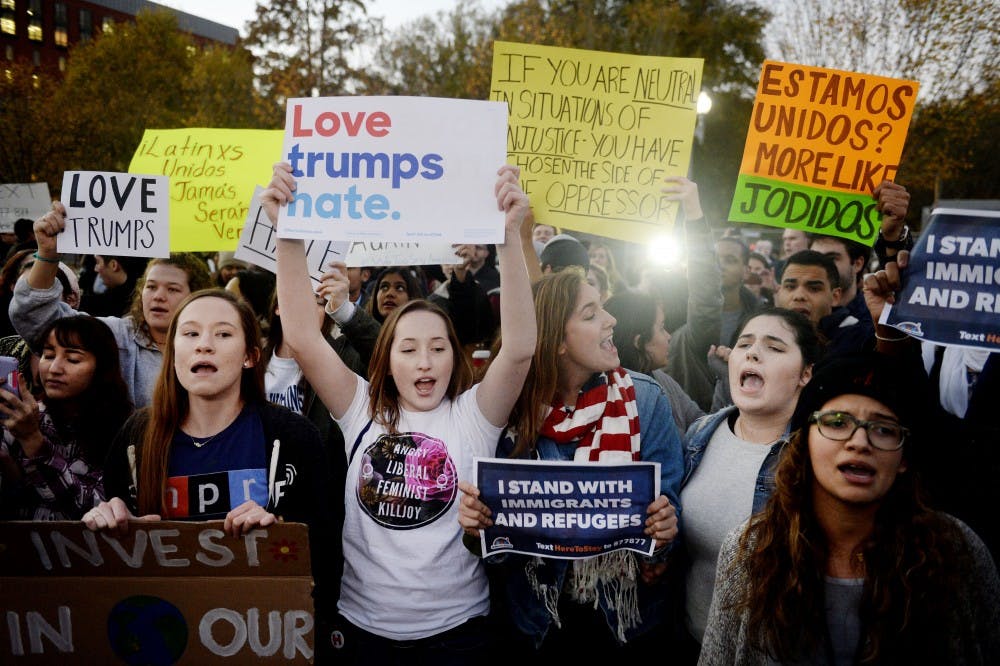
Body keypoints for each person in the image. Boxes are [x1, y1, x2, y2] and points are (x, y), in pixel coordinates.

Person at [267, 162, 536, 663]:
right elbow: (303, 336)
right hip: (362, 632)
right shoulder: (360, 407)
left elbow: (519, 349)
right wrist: (287, 230)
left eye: (438, 347)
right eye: (408, 349)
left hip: (460, 635)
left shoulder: (475, 414)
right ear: (386, 362)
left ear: (456, 356)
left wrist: (509, 239)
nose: (425, 361)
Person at [83, 289, 338, 659]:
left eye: (222, 334)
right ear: (172, 355)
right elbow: (110, 573)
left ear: (251, 357)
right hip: (164, 641)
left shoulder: (293, 437)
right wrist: (104, 526)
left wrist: (281, 531)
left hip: (262, 641)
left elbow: (328, 555)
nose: (204, 346)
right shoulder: (136, 438)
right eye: (190, 334)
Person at [699, 352, 1000, 665]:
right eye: (838, 423)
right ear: (805, 443)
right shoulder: (750, 549)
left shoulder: (957, 551)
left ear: (904, 459)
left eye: (883, 429)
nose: (860, 441)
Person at [458, 267, 684, 655]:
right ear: (557, 341)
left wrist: (664, 530)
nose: (611, 319)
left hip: (622, 623)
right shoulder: (504, 409)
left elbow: (668, 522)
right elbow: (495, 546)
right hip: (533, 623)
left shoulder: (645, 401)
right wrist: (476, 529)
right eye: (591, 313)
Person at [680, 307, 822, 656]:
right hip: (687, 638)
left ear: (805, 373)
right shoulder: (700, 434)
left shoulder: (817, 458)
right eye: (745, 344)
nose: (753, 352)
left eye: (774, 348)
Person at [12, 202, 213, 407]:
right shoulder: (115, 336)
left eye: (172, 289)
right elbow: (36, 318)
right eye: (151, 287)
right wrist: (47, 253)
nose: (158, 296)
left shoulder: (213, 347)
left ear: (196, 296)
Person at [0, 315, 132, 520]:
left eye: (73, 359)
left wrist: (33, 442)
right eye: (49, 355)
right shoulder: (24, 417)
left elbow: (91, 510)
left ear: (102, 367)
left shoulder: (126, 429)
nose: (54, 369)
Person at [605, 290, 704, 433]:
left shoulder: (660, 378)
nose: (669, 336)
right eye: (662, 328)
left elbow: (701, 424)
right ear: (639, 342)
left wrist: (724, 379)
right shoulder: (620, 399)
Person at [774, 250, 873, 358]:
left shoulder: (859, 341)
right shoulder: (761, 333)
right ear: (779, 292)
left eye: (814, 288)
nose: (799, 296)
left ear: (835, 297)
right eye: (790, 287)